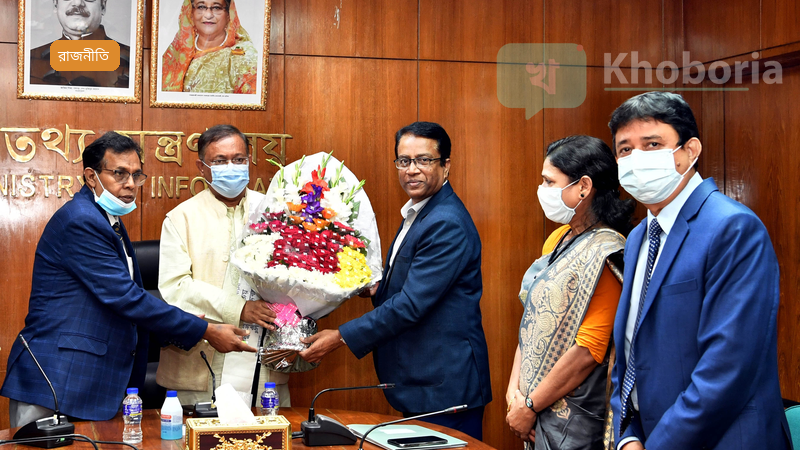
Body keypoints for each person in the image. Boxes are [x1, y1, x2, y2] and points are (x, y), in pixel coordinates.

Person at [0, 132, 254, 428]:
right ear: (91, 177)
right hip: (56, 381)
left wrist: (182, 326)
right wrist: (205, 330)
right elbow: (126, 298)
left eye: (136, 175)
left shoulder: (108, 221)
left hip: (85, 383)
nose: (130, 184)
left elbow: (123, 306)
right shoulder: (82, 221)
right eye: (119, 173)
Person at [608, 91, 792, 450]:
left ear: (690, 151)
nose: (636, 158)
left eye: (652, 144)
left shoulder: (732, 228)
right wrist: (627, 435)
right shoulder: (638, 237)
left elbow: (728, 366)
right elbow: (629, 352)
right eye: (625, 149)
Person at [299, 122, 492, 440]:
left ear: (446, 165)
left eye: (424, 160)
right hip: (423, 381)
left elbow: (411, 304)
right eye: (404, 161)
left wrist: (342, 337)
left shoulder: (446, 222)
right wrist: (374, 287)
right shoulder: (421, 212)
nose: (412, 170)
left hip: (445, 387)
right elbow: (411, 286)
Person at [157, 125, 312, 407]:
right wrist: (239, 309)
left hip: (265, 366)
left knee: (270, 431)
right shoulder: (181, 218)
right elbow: (175, 288)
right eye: (219, 161)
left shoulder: (276, 211)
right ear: (202, 168)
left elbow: (300, 276)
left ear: (249, 161)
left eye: (239, 159)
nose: (231, 167)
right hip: (201, 367)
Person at [506, 136, 634, 450]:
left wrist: (531, 405)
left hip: (572, 418)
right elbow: (531, 323)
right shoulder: (558, 239)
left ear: (583, 187)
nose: (542, 189)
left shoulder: (607, 252)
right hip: (529, 405)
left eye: (549, 181)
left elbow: (588, 350)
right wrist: (514, 394)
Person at [161, 0, 258, 93]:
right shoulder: (176, 53)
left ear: (229, 15)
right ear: (191, 13)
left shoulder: (245, 57)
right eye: (201, 7)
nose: (208, 15)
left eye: (216, 8)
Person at [29, 0, 130, 87]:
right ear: (55, 4)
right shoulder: (31, 61)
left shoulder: (132, 60)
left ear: (103, 6)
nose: (77, 3)